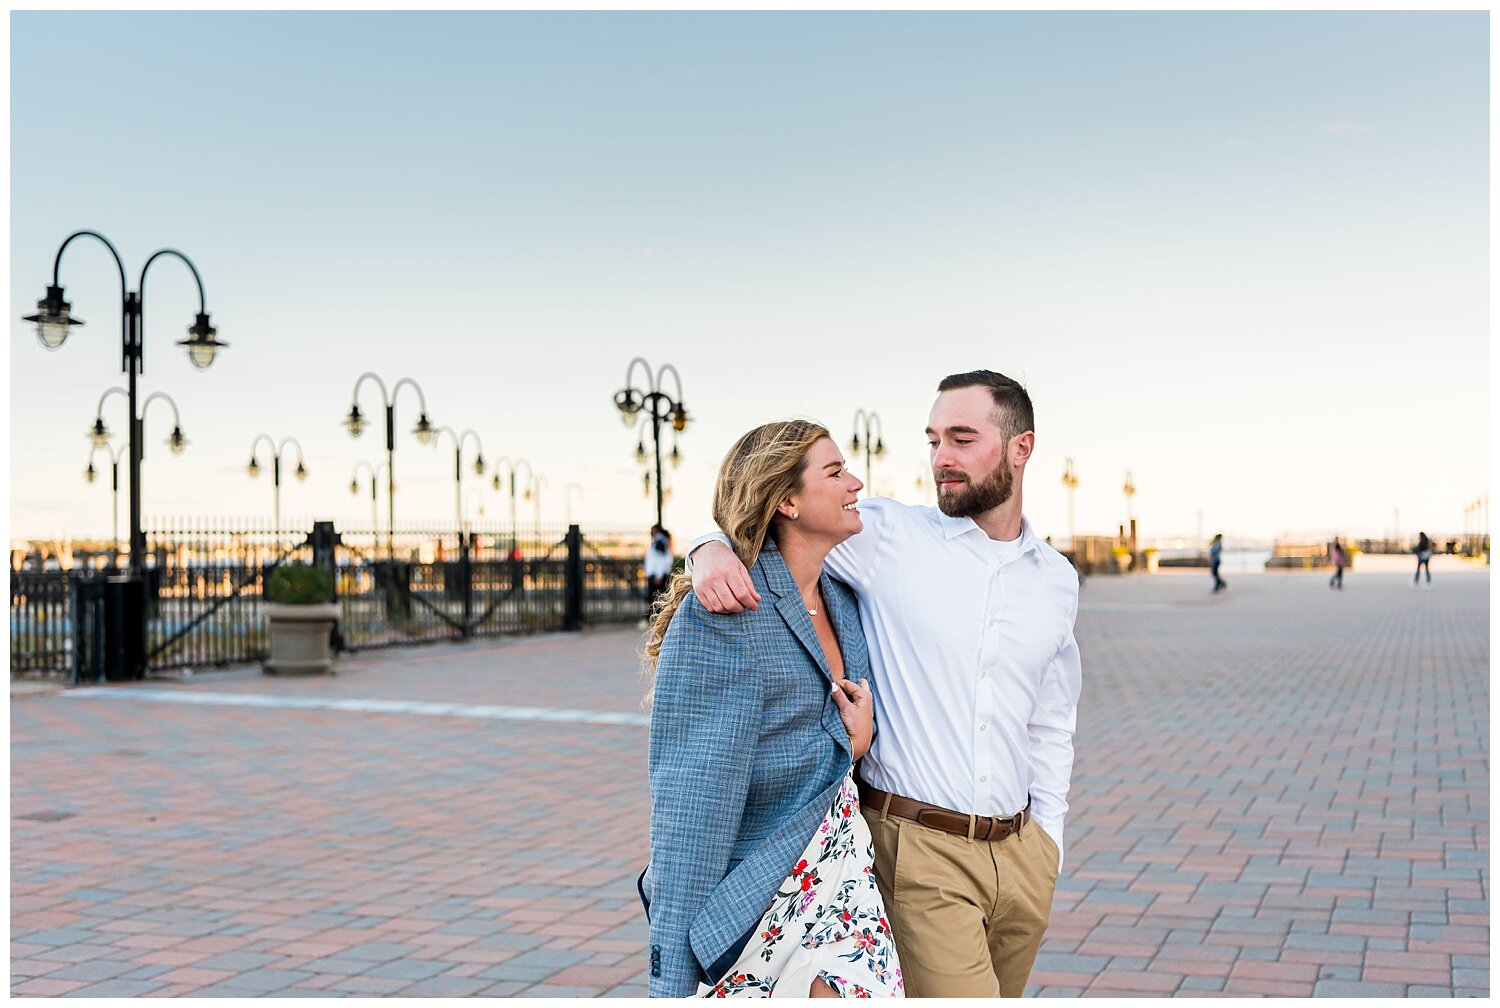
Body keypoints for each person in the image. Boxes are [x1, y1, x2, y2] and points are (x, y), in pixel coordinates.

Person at [689, 371, 1081, 998]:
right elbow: (766, 508)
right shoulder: (890, 538)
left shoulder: (1057, 580)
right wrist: (707, 549)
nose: (941, 459)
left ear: (1020, 448)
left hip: (1023, 857)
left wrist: (1049, 842)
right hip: (921, 852)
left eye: (962, 438)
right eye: (933, 441)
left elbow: (1052, 720)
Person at [640, 419, 903, 999]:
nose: (855, 482)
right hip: (761, 900)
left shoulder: (846, 601)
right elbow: (691, 807)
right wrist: (670, 981)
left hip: (844, 889)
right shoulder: (726, 614)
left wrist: (858, 743)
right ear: (786, 500)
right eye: (835, 472)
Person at [644, 523, 674, 619]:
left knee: (655, 599)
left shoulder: (659, 541)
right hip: (657, 575)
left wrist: (659, 575)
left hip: (657, 576)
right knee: (657, 598)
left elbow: (661, 560)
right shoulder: (659, 541)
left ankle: (655, 619)